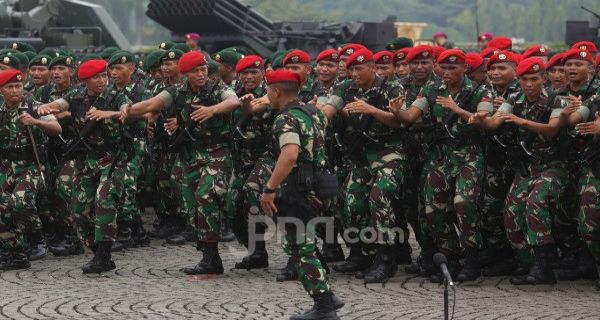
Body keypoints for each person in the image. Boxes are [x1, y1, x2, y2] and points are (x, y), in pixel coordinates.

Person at [121, 51, 240, 275]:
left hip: (217, 152)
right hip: (191, 155)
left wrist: (211, 110)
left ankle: (213, 251)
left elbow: (233, 101)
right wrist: (127, 111)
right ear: (185, 74)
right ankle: (209, 256)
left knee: (206, 195)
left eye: (203, 69)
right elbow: (151, 104)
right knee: (189, 205)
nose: (201, 74)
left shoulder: (217, 89)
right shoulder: (176, 92)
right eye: (195, 71)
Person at [390, 49, 493, 283]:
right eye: (443, 68)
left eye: (452, 68)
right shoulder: (432, 89)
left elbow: (484, 119)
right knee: (433, 209)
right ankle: (450, 258)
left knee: (464, 203)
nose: (447, 73)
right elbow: (411, 116)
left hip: (469, 155)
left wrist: (457, 110)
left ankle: (472, 258)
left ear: (465, 69)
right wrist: (398, 112)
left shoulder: (479, 90)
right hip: (441, 156)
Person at [259, 69, 342, 320]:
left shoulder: (285, 119)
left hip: (298, 187)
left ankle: (324, 306)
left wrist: (270, 188)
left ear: (275, 91)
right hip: (319, 184)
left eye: (268, 91)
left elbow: (290, 154)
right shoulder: (313, 112)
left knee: (299, 247)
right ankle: (327, 295)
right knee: (304, 244)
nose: (267, 95)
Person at [37, 59, 132, 273]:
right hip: (86, 160)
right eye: (96, 77)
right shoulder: (76, 96)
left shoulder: (115, 96)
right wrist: (47, 107)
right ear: (85, 80)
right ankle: (97, 250)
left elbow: (127, 110)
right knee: (79, 210)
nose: (101, 81)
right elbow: (61, 104)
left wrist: (112, 113)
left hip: (112, 159)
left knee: (104, 200)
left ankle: (104, 255)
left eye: (103, 76)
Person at [0, 69, 61, 271]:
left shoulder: (35, 106)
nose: (16, 91)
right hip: (6, 165)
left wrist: (35, 121)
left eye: (18, 86)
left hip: (31, 164)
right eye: (10, 87)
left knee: (20, 201)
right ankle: (14, 251)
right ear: (2, 90)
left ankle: (35, 236)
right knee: (2, 206)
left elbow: (56, 128)